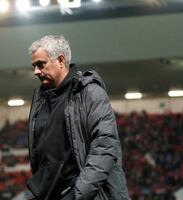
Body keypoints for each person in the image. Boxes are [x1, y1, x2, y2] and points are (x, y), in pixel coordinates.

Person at [25, 35, 129, 200]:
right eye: (34, 66)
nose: (36, 71)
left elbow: (105, 148)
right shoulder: (40, 101)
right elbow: (41, 159)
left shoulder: (90, 93)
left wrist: (78, 194)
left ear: (60, 60)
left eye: (40, 64)